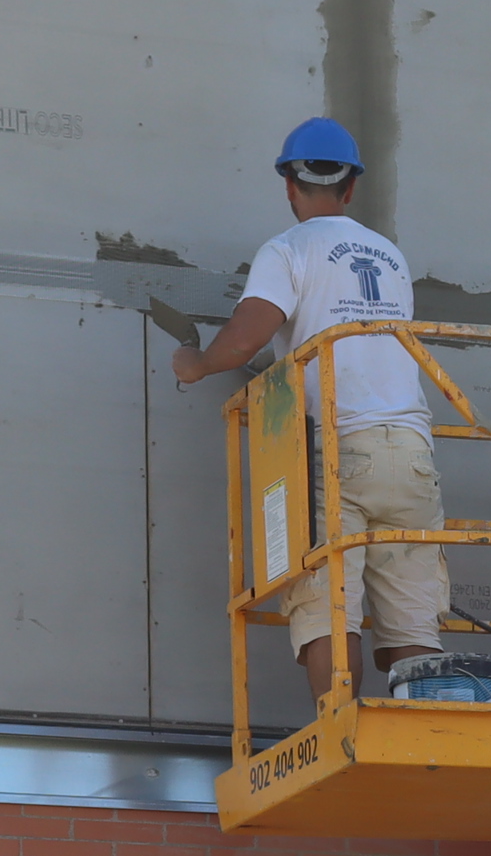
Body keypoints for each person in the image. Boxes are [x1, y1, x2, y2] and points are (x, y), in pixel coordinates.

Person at [175, 118, 450, 700]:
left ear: (289, 186)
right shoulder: (390, 257)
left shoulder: (288, 249)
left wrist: (196, 364)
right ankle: (423, 724)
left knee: (327, 604)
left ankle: (339, 732)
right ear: (350, 188)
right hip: (411, 453)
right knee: (412, 617)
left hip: (336, 447)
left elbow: (245, 339)